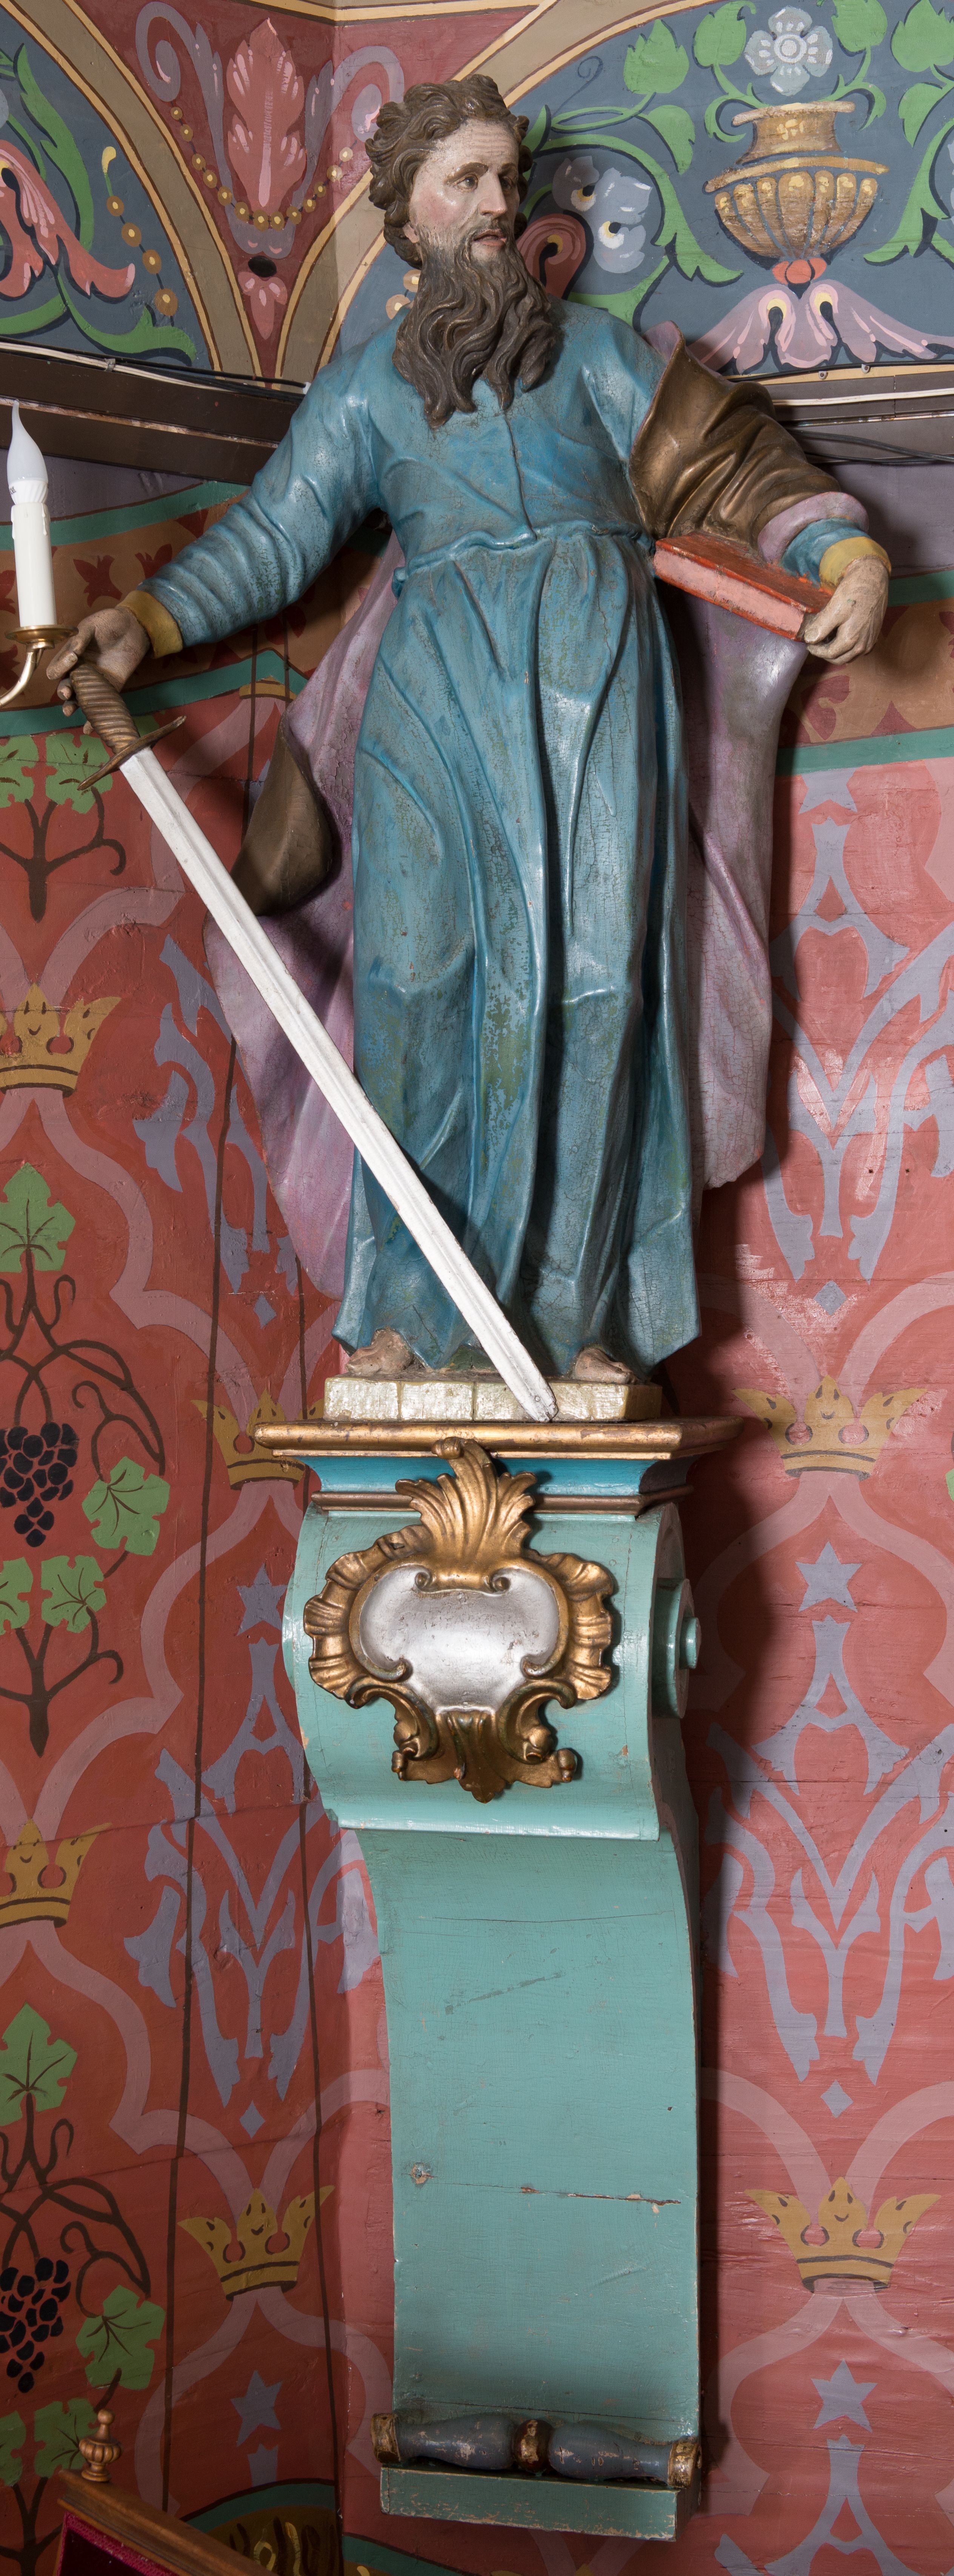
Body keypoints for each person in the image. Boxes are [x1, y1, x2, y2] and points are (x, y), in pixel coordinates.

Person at [49, 76, 889, 1386]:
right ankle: (408, 1306)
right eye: (467, 181)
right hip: (435, 698)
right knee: (414, 981)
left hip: (596, 692)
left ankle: (578, 1314)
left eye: (509, 180)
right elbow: (275, 538)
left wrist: (844, 552)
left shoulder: (598, 359)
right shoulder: (365, 393)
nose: (499, 206)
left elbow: (735, 470)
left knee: (598, 988)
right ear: (407, 215)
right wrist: (145, 625)